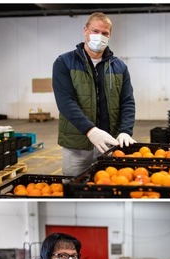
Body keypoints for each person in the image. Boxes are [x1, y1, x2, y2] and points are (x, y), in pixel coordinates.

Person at [52, 12, 136, 176]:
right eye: (95, 31)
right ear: (85, 30)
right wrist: (90, 130)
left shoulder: (119, 66)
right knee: (73, 186)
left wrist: (125, 130)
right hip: (77, 145)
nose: (100, 36)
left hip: (110, 143)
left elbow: (127, 102)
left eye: (105, 33)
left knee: (109, 187)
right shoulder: (64, 62)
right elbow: (65, 102)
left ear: (110, 35)